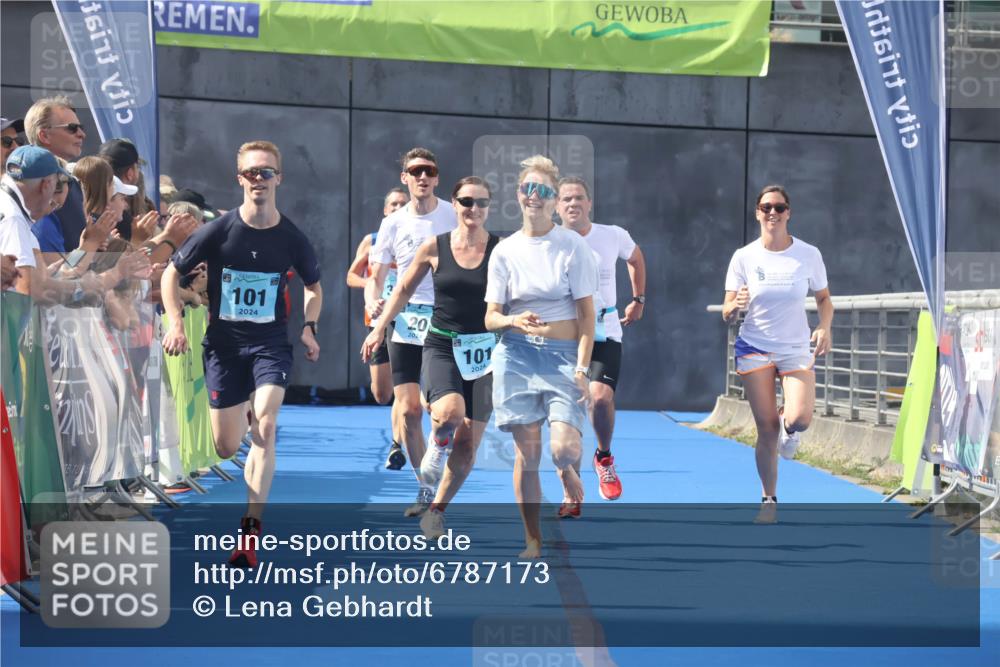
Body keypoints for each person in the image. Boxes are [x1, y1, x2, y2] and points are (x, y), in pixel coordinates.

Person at [162, 140, 322, 568]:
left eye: (266, 172)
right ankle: (246, 409)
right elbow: (169, 273)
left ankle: (250, 529)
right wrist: (176, 321)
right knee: (225, 444)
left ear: (279, 179)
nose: (259, 180)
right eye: (251, 173)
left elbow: (313, 287)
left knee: (266, 427)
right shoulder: (219, 230)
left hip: (270, 344)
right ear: (240, 179)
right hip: (224, 347)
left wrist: (308, 326)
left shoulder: (291, 237)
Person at [363, 176, 499, 538]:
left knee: (469, 445)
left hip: (485, 352)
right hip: (442, 343)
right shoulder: (434, 247)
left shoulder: (502, 250)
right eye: (467, 201)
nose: (474, 209)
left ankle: (437, 509)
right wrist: (378, 327)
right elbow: (403, 289)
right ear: (453, 204)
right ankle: (437, 444)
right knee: (448, 413)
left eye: (482, 203)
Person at [485, 155, 598, 557]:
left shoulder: (572, 247)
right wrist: (513, 320)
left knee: (562, 450)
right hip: (516, 357)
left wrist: (583, 369)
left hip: (564, 356)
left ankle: (567, 470)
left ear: (553, 200)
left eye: (543, 191)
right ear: (518, 195)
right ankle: (532, 538)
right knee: (527, 455)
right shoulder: (504, 251)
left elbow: (587, 318)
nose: (534, 196)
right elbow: (491, 317)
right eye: (527, 189)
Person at [722, 185, 833, 524]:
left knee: (799, 418)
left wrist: (824, 326)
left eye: (779, 207)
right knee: (766, 429)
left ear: (788, 213)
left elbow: (824, 299)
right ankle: (768, 500)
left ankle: (791, 429)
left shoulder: (808, 254)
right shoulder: (744, 256)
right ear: (757, 213)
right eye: (766, 207)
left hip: (795, 346)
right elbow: (726, 310)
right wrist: (734, 305)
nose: (773, 213)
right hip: (754, 345)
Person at [367, 148, 456, 517]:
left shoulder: (452, 215)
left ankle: (438, 444)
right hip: (403, 318)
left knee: (442, 413)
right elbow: (377, 273)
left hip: (444, 317)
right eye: (415, 171)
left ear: (436, 178)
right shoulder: (393, 223)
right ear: (405, 177)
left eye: (429, 171)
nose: (422, 177)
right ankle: (425, 487)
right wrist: (375, 306)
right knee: (405, 410)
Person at [556, 177, 646, 505]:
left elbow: (636, 259)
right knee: (564, 414)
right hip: (563, 332)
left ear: (589, 203)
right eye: (566, 199)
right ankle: (569, 490)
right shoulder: (549, 241)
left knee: (601, 397)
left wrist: (639, 299)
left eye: (579, 197)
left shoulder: (612, 235)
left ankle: (604, 457)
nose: (573, 203)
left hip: (605, 329)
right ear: (556, 206)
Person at [0, 145, 149, 302]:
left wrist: (83, 249)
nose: (52, 207)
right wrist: (100, 279)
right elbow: (31, 289)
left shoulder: (16, 215)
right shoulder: (13, 220)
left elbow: (50, 276)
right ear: (47, 185)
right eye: (55, 204)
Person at [346, 186, 408, 469]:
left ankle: (397, 444)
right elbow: (351, 276)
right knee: (382, 394)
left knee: (405, 387)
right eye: (393, 204)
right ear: (385, 210)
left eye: (402, 204)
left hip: (408, 320)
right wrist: (373, 287)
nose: (397, 208)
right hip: (377, 320)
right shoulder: (372, 241)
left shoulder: (421, 240)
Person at [24, 96, 88, 252]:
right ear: (44, 135)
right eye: (72, 128)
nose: (81, 134)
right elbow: (53, 270)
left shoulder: (71, 182)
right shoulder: (34, 185)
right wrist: (89, 246)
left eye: (81, 127)